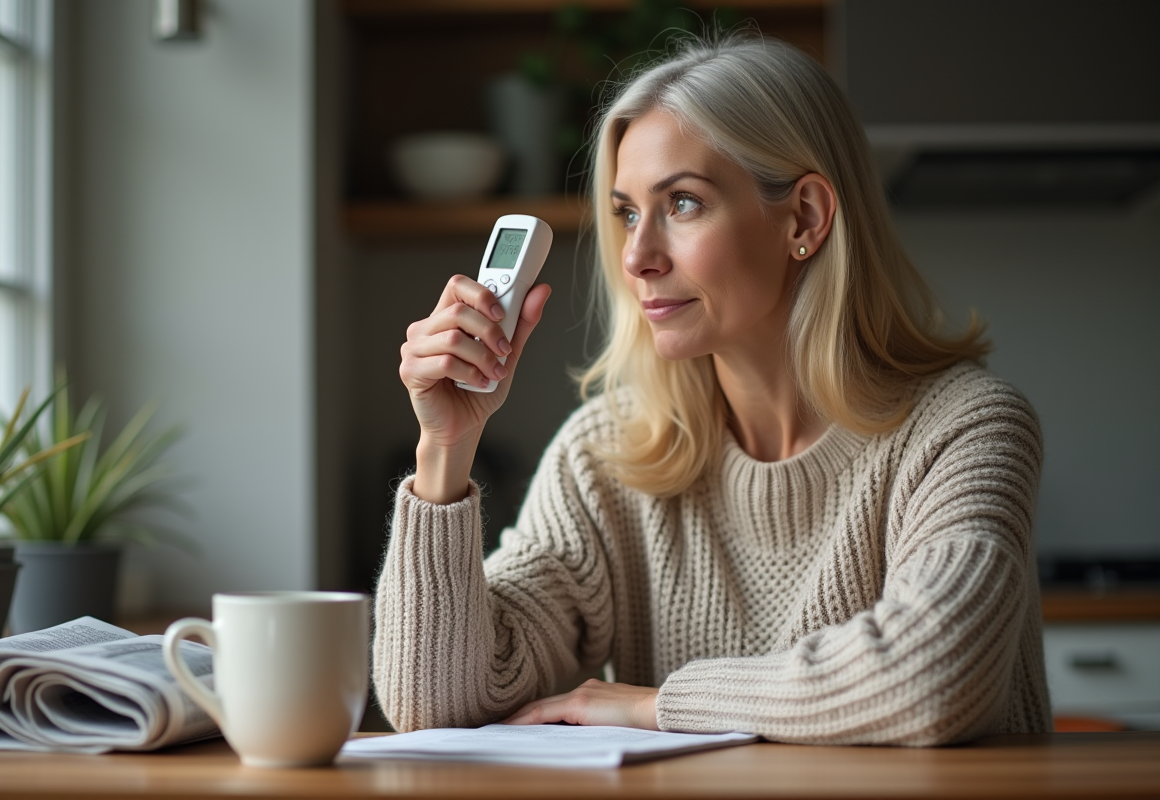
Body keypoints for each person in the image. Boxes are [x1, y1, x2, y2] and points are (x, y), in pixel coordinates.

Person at [375, 33, 1052, 746]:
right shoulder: (607, 457)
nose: (637, 257)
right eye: (628, 212)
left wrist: (654, 706)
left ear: (806, 218)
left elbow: (935, 678)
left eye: (685, 204)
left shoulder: (965, 427)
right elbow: (433, 706)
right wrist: (444, 452)